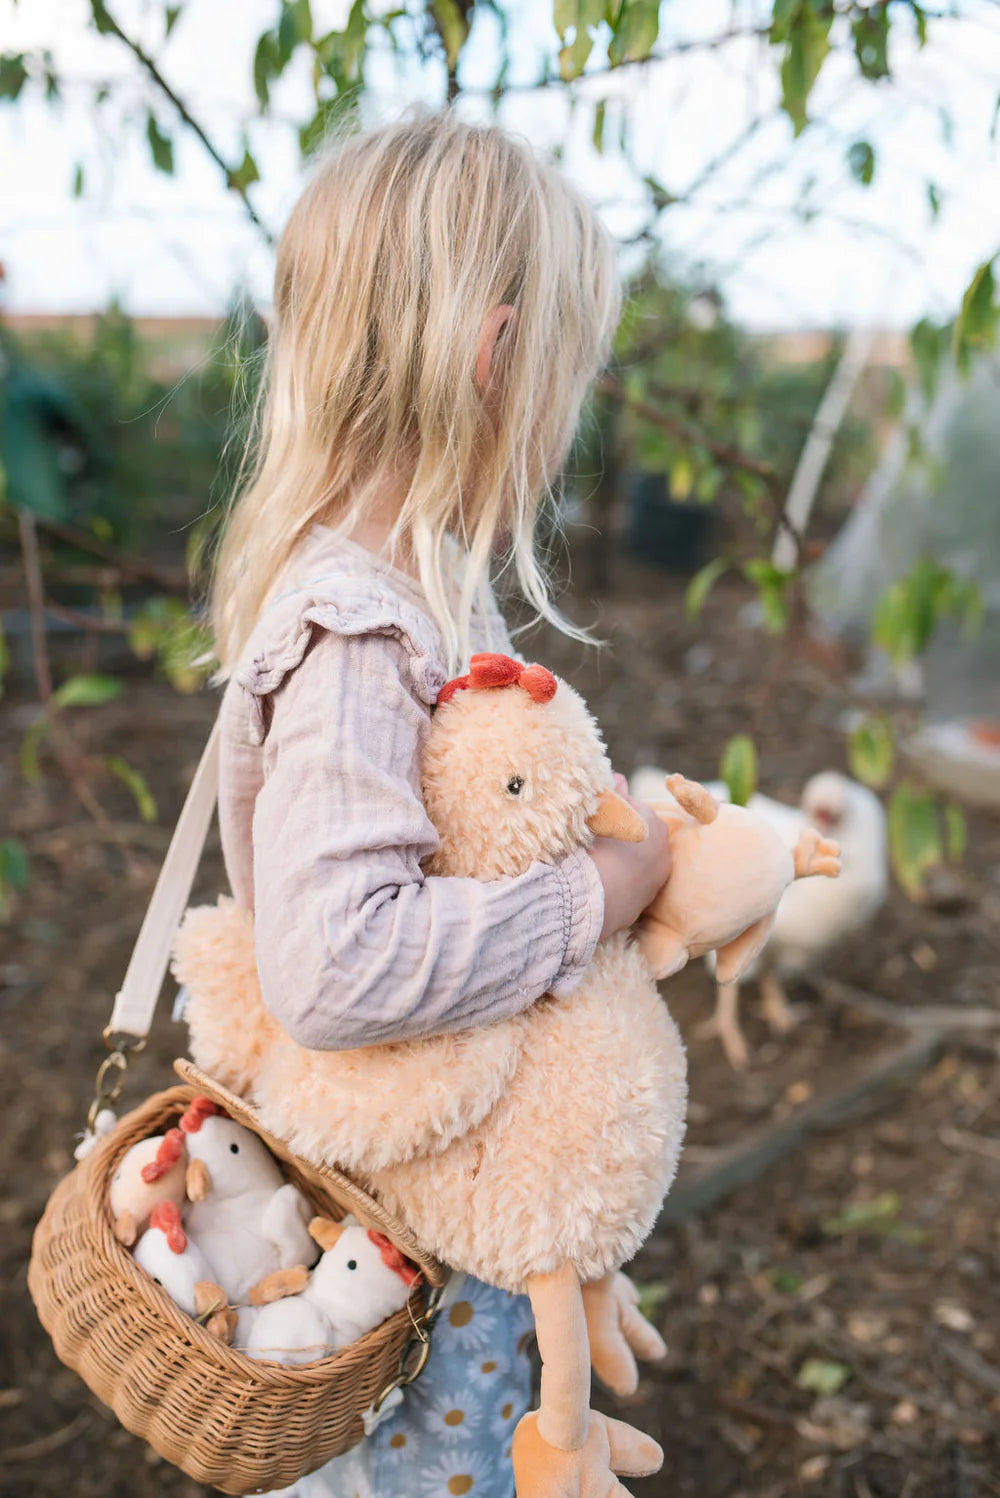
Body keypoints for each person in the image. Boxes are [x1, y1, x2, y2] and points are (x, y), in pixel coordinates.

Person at [208, 110, 672, 1498]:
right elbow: (340, 962)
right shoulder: (358, 629)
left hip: (439, 1206)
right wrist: (600, 896)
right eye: (568, 369)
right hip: (402, 1258)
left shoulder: (409, 596)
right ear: (495, 356)